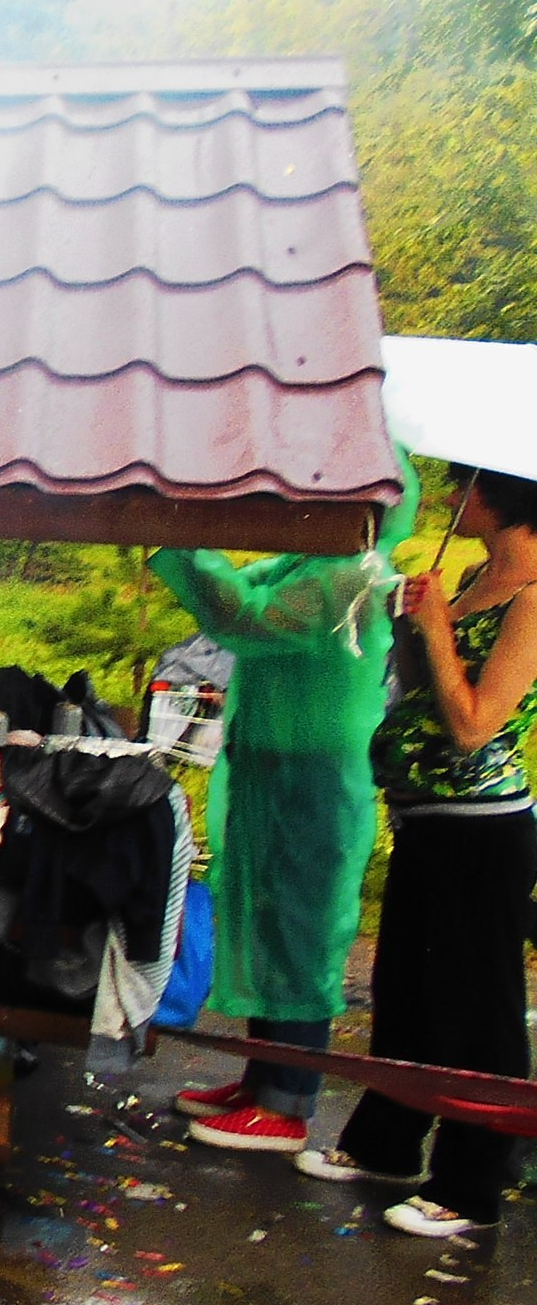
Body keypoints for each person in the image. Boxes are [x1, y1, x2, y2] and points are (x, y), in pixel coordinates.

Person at [153, 464, 419, 1154]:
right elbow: (241, 590)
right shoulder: (311, 559)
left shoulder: (350, 574)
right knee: (264, 926)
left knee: (299, 939)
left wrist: (173, 534)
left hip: (315, 784)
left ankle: (288, 1105)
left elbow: (245, 615)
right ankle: (262, 1080)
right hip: (274, 775)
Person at [300, 466, 537, 1238]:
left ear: (501, 500)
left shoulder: (533, 599)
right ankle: (387, 1142)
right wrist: (413, 628)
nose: (451, 500)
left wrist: (438, 632)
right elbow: (424, 692)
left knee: (480, 1007)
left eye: (463, 487)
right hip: (426, 820)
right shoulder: (471, 580)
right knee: (406, 988)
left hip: (484, 831)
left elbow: (475, 726)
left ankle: (471, 1185)